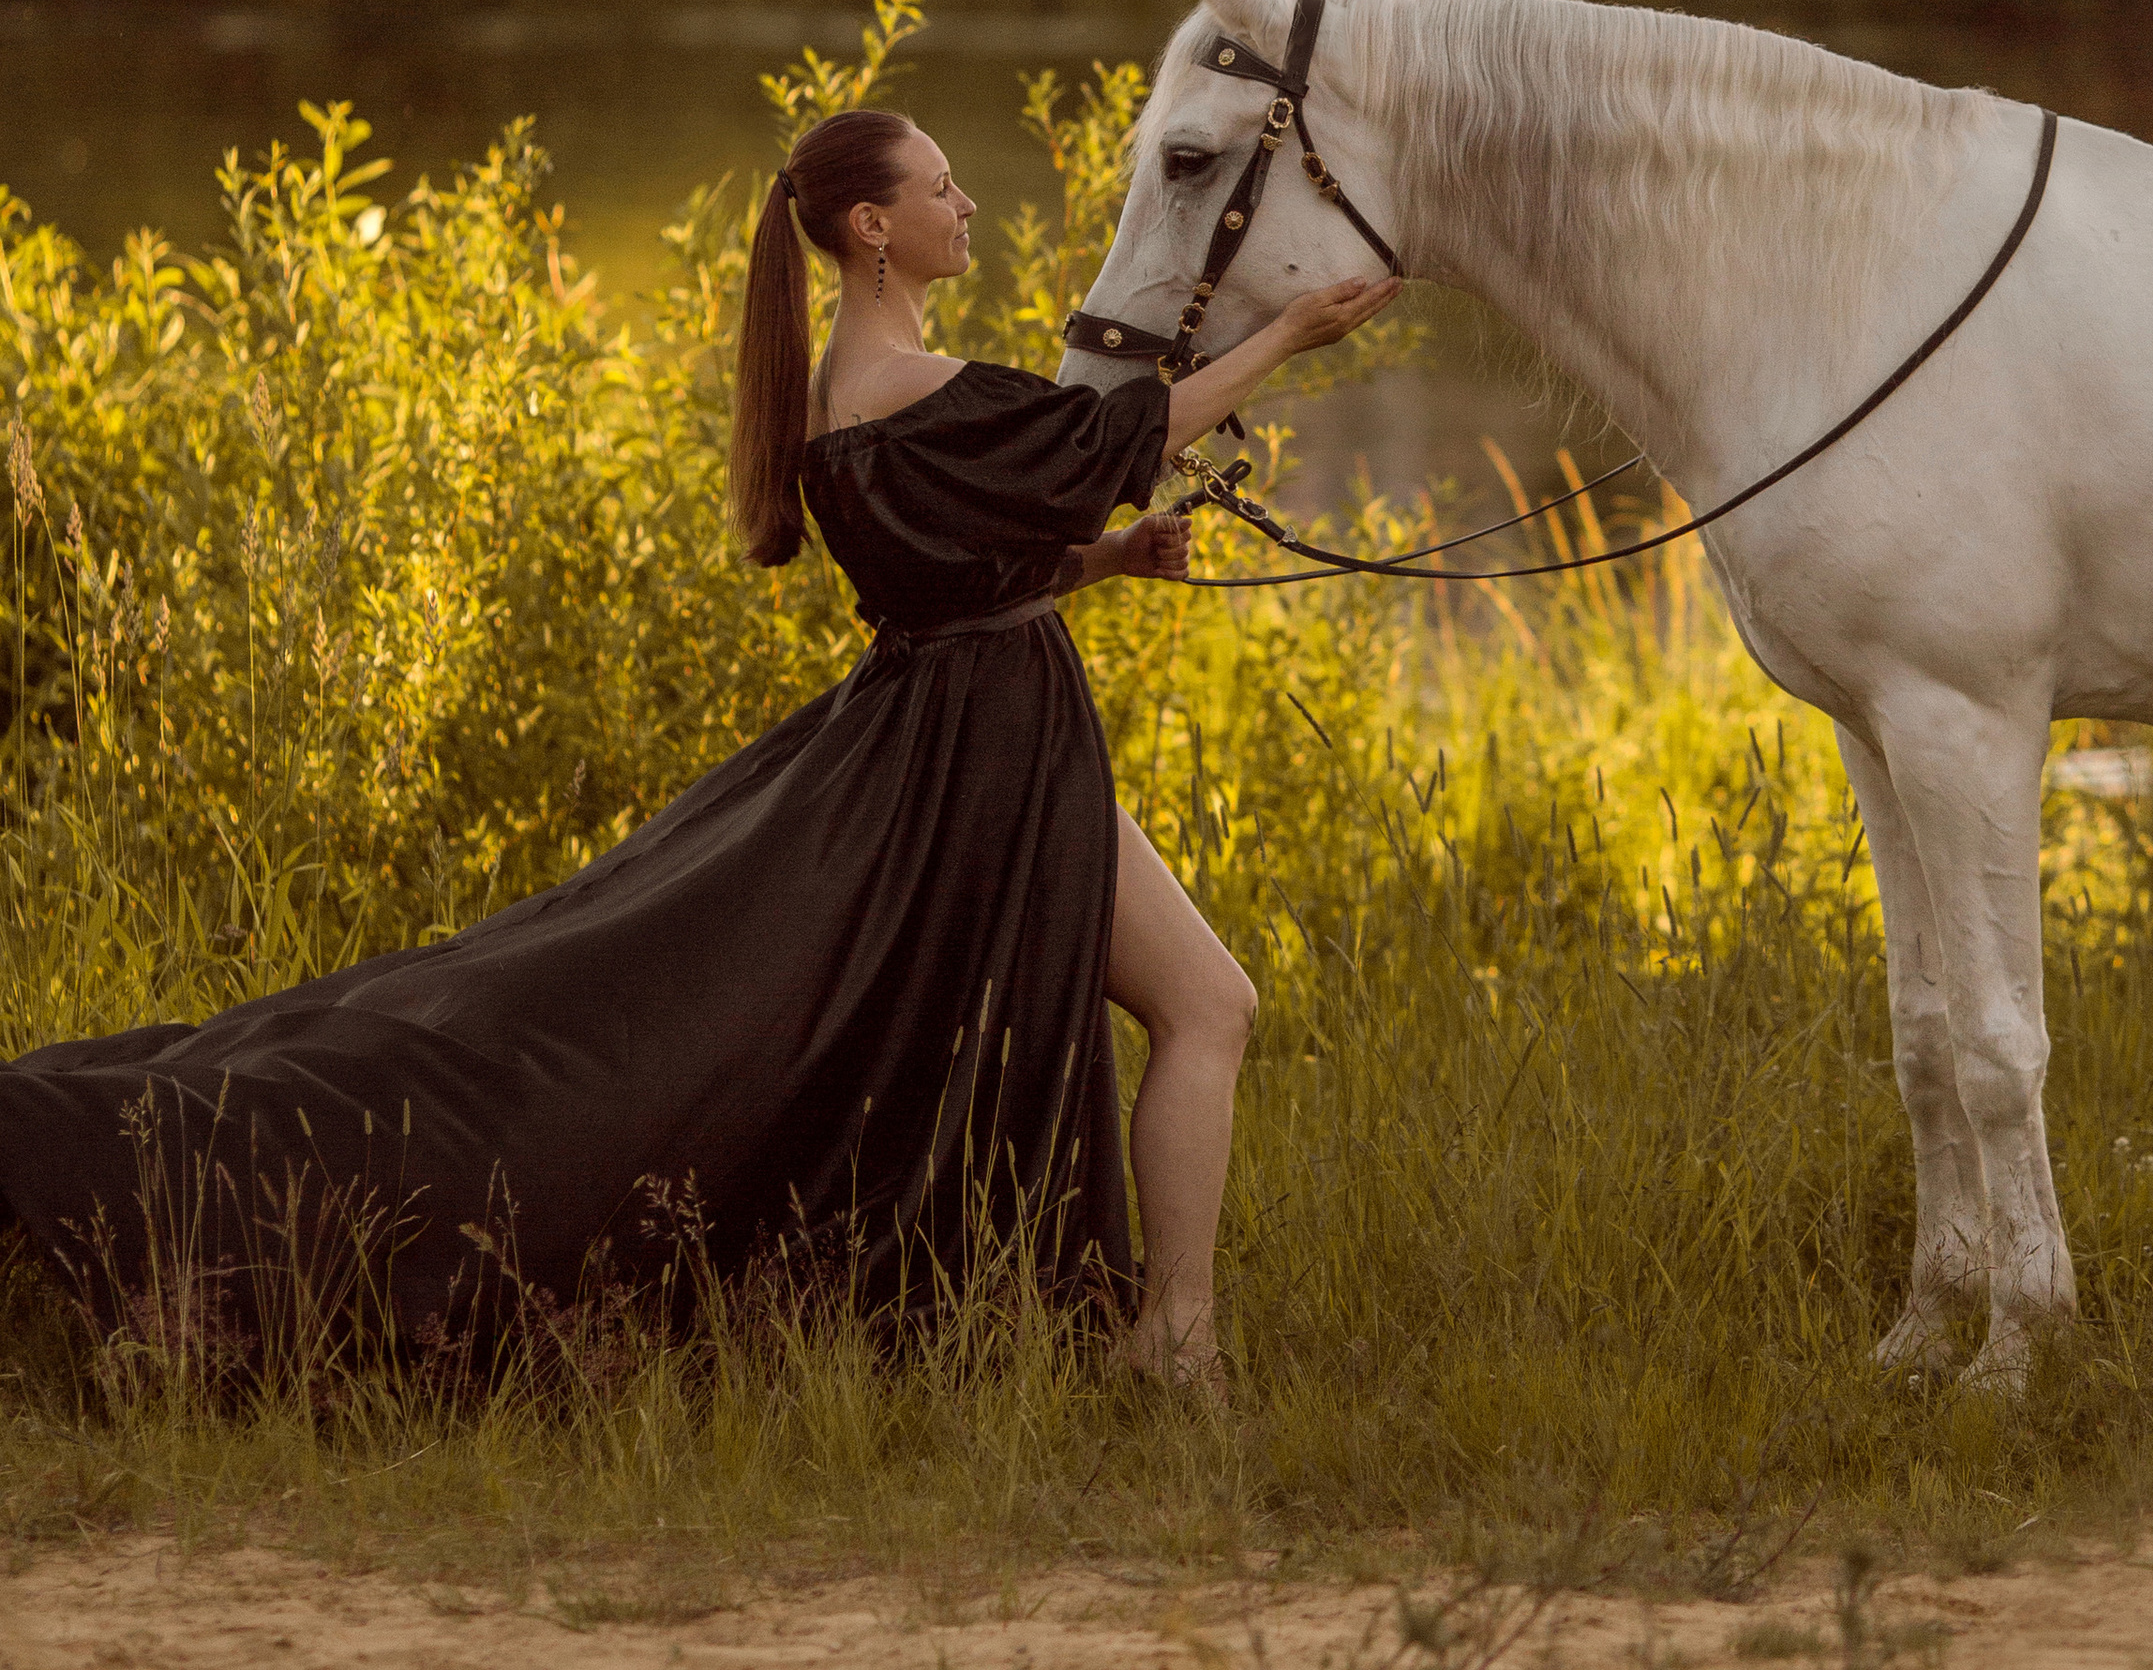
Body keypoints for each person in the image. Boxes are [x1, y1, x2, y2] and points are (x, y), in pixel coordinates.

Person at [0, 105, 1395, 1389]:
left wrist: (1104, 564)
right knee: (1211, 1008)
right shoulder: (917, 377)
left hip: (957, 727)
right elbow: (1104, 434)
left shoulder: (851, 390)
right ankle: (1172, 1338)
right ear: (871, 228)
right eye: (942, 187)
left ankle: (1168, 1330)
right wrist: (1286, 340)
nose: (966, 206)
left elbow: (955, 574)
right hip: (983, 747)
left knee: (1204, 1006)